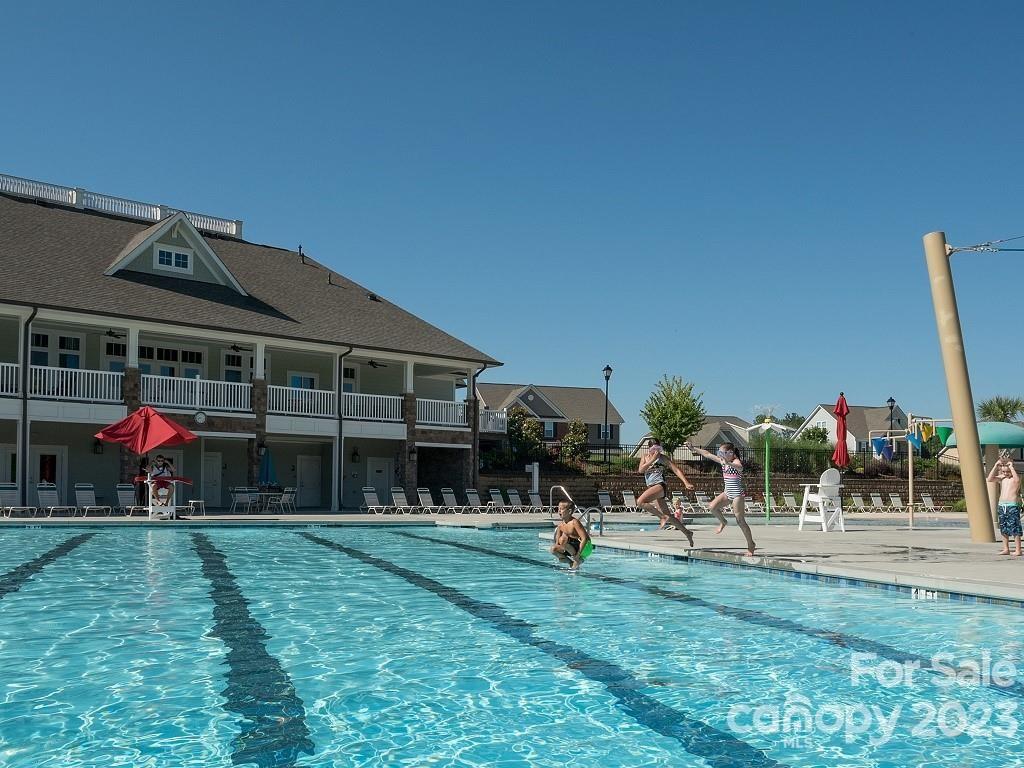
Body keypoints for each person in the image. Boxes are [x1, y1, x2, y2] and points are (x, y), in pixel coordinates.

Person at [686, 442, 756, 556]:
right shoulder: (723, 461)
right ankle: (723, 521)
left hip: (737, 494)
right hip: (727, 492)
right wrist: (693, 448)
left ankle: (751, 545)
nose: (719, 455)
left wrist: (728, 462)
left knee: (740, 521)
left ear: (730, 453)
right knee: (712, 507)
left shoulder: (735, 461)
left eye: (721, 452)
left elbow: (740, 467)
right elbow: (707, 454)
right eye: (719, 453)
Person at [637, 439, 695, 546]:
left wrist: (686, 482)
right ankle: (687, 533)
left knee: (640, 502)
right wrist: (652, 460)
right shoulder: (645, 457)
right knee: (669, 516)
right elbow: (641, 470)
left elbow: (676, 470)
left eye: (658, 449)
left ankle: (662, 518)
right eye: (654, 449)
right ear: (649, 449)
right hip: (652, 488)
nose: (656, 452)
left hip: (660, 486)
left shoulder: (663, 458)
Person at [987, 456, 1022, 557]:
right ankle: (1006, 548)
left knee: (1015, 528)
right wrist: (995, 466)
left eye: (1007, 472)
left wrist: (1011, 467)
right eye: (1004, 472)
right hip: (1002, 506)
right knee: (1004, 528)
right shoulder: (1002, 478)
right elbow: (989, 479)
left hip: (1012, 505)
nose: (1006, 474)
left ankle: (1018, 549)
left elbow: (1017, 481)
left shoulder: (1015, 478)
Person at [550, 500, 591, 569]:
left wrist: (578, 554)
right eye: (558, 508)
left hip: (585, 547)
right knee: (553, 549)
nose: (559, 511)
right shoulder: (560, 525)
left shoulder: (574, 522)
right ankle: (571, 563)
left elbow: (585, 538)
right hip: (571, 547)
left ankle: (577, 559)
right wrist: (560, 555)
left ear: (569, 511)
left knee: (563, 540)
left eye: (561, 509)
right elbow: (557, 544)